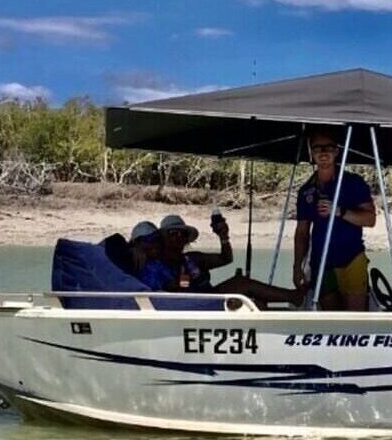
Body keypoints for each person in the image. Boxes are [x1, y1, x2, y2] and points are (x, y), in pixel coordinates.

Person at [144, 213, 305, 309]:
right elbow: (175, 291)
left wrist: (223, 236)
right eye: (173, 233)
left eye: (182, 234)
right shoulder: (158, 264)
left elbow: (225, 259)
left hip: (208, 299)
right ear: (163, 237)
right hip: (194, 306)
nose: (178, 237)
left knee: (259, 303)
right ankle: (294, 296)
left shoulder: (192, 258)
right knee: (241, 283)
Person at [292, 129, 377, 311]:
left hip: (352, 259)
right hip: (321, 263)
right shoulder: (306, 190)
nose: (323, 153)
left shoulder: (353, 182)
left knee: (355, 319)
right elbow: (302, 232)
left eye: (328, 148)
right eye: (317, 148)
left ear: (337, 151)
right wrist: (297, 265)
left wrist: (340, 211)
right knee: (331, 318)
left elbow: (370, 219)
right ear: (311, 153)